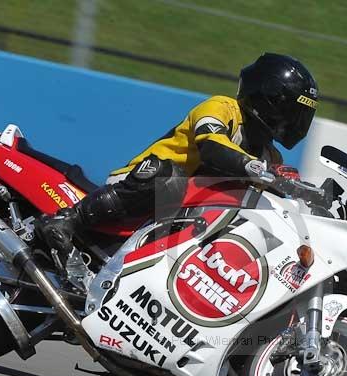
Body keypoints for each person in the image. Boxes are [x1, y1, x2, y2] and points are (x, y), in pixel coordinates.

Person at [37, 52, 318, 259]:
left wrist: (299, 194)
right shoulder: (223, 108)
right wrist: (255, 168)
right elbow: (212, 146)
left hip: (180, 223)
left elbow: (271, 204)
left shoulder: (271, 156)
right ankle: (69, 219)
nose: (295, 122)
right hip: (140, 190)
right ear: (269, 98)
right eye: (293, 111)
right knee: (170, 178)